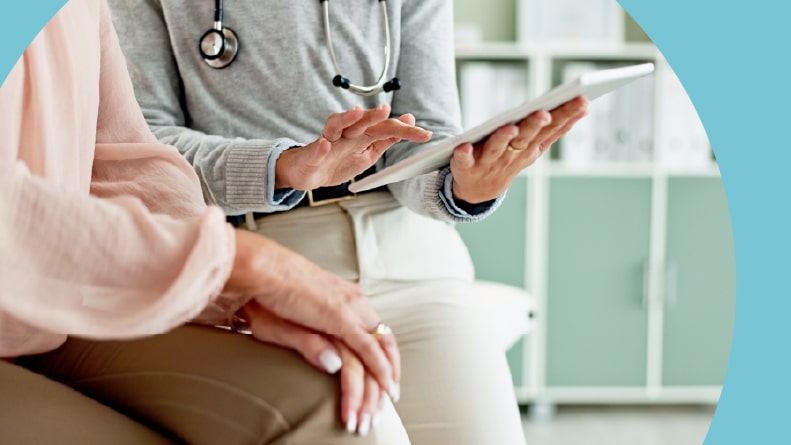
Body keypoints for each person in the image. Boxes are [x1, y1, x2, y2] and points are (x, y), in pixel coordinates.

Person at [107, 0, 588, 444]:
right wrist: (286, 166)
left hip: (414, 256)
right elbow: (147, 148)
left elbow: (423, 135)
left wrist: (466, 187)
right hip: (272, 270)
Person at [0, 0, 441, 443]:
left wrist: (235, 292)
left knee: (336, 416)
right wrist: (243, 261)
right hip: (39, 307)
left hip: (58, 310)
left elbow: (124, 161)